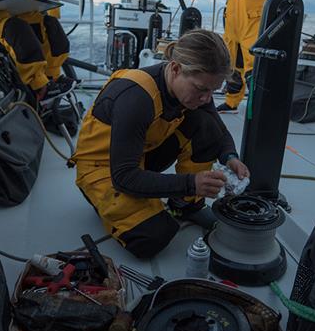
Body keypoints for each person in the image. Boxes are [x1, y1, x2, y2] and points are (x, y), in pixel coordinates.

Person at [70, 30, 250, 258]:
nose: (207, 98)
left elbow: (218, 129)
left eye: (213, 91)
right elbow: (124, 177)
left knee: (205, 123)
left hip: (141, 154)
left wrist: (230, 157)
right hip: (104, 170)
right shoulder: (135, 98)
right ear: (175, 69)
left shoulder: (194, 85)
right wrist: (191, 183)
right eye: (202, 89)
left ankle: (186, 206)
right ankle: (103, 201)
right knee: (153, 235)